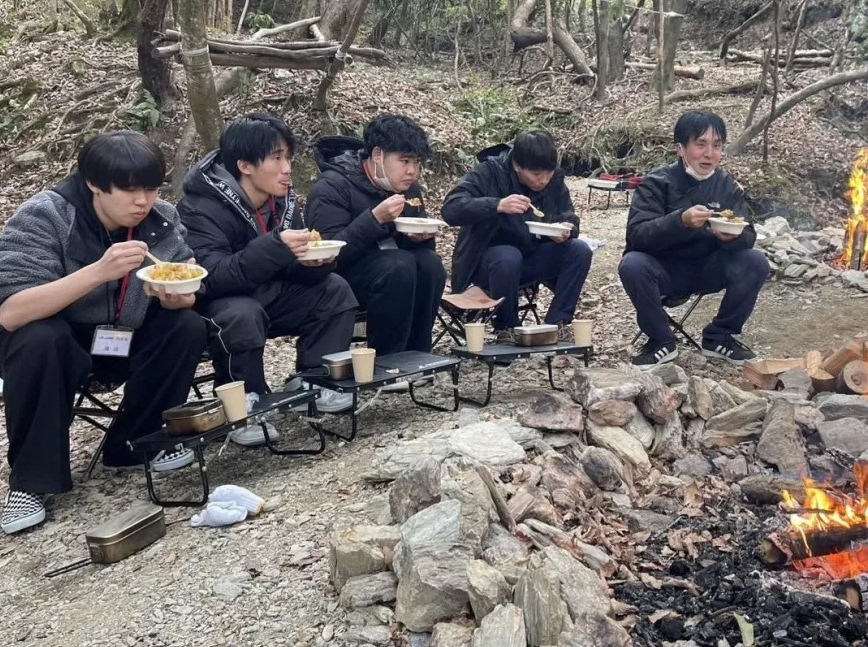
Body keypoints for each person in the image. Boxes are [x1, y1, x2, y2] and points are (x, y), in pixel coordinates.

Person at [0, 131, 208, 535]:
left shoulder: (161, 220)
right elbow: (10, 311)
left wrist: (176, 297)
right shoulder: (46, 216)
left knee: (185, 326)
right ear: (93, 183)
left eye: (151, 188)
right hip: (47, 342)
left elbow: (186, 279)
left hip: (119, 336)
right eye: (129, 190)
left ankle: (136, 443)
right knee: (42, 338)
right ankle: (31, 482)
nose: (142, 202)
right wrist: (99, 271)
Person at [178, 114, 357, 444]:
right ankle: (244, 405)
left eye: (288, 157)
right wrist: (276, 246)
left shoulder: (283, 200)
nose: (287, 167)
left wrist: (315, 263)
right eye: (277, 158)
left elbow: (293, 266)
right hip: (219, 302)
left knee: (334, 290)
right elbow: (212, 276)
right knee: (241, 314)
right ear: (245, 165)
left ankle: (315, 381)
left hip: (269, 292)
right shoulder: (201, 206)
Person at [619, 111, 770, 368]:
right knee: (631, 264)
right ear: (680, 149)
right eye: (701, 144)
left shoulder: (727, 186)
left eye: (717, 145)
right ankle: (661, 341)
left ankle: (719, 336)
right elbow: (637, 236)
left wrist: (730, 238)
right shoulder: (657, 183)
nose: (709, 153)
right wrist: (680, 221)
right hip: (663, 269)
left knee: (755, 261)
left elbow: (748, 235)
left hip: (707, 268)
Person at [306, 115, 445, 357]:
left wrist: (419, 237)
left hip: (397, 272)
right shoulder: (332, 187)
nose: (412, 171)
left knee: (431, 264)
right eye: (404, 161)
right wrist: (375, 220)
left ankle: (418, 355)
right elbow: (326, 253)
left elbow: (418, 248)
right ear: (378, 155)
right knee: (397, 265)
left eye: (416, 162)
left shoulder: (409, 189)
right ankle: (387, 358)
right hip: (343, 279)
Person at [443, 131, 592, 344]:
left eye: (548, 174)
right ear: (517, 165)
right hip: (487, 264)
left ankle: (556, 324)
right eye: (536, 174)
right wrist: (497, 205)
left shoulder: (554, 180)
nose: (543, 181)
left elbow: (568, 214)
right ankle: (507, 328)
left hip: (530, 257)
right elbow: (451, 208)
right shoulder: (491, 171)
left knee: (579, 250)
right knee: (507, 255)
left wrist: (568, 228)